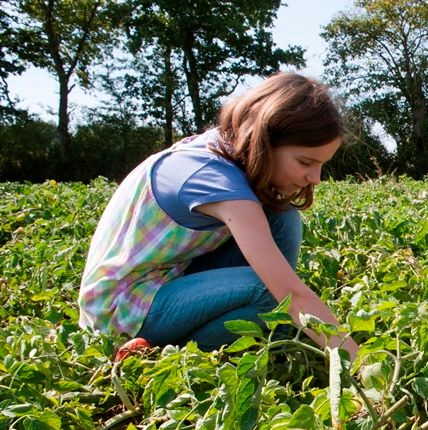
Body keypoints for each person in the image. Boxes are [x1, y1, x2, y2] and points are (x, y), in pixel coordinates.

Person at [78, 72, 358, 358]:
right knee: (272, 296)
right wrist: (356, 360)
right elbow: (290, 294)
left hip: (166, 283)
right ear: (262, 140)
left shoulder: (224, 146)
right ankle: (160, 353)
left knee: (282, 217)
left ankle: (275, 329)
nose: (315, 178)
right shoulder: (216, 181)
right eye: (305, 162)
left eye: (321, 164)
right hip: (120, 312)